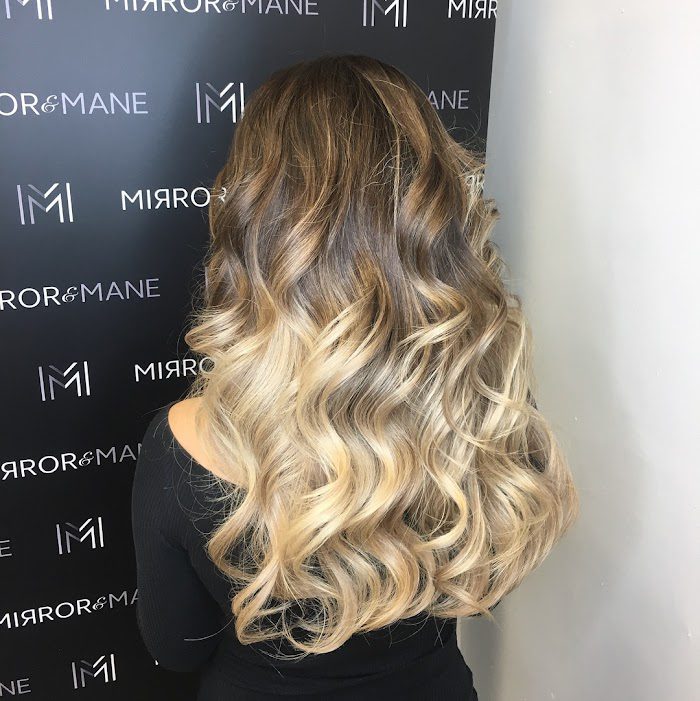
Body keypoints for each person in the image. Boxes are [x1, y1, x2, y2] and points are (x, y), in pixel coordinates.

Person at [131, 53, 579, 700]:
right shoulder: (478, 400)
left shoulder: (185, 445)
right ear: (432, 208)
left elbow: (176, 647)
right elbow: (480, 576)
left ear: (258, 224)